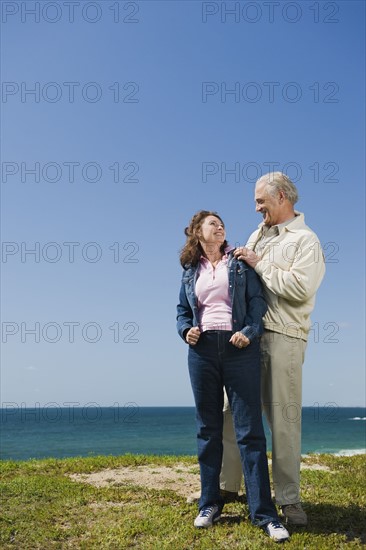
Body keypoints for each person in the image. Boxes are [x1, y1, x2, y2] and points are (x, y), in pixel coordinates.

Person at [176, 210, 290, 542]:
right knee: (207, 429)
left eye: (221, 223)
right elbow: (182, 310)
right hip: (202, 351)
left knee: (249, 431)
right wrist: (186, 330)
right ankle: (209, 504)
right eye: (212, 223)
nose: (220, 226)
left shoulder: (238, 262)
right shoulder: (189, 270)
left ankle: (265, 515)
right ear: (198, 232)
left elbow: (258, 303)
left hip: (239, 346)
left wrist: (250, 332)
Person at [220, 172, 326, 526]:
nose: (256, 208)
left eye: (261, 201)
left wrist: (258, 262)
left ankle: (289, 501)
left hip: (284, 338)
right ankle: (226, 487)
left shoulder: (306, 240)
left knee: (283, 421)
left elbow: (298, 288)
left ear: (282, 197)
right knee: (232, 412)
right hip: (247, 336)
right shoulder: (257, 235)